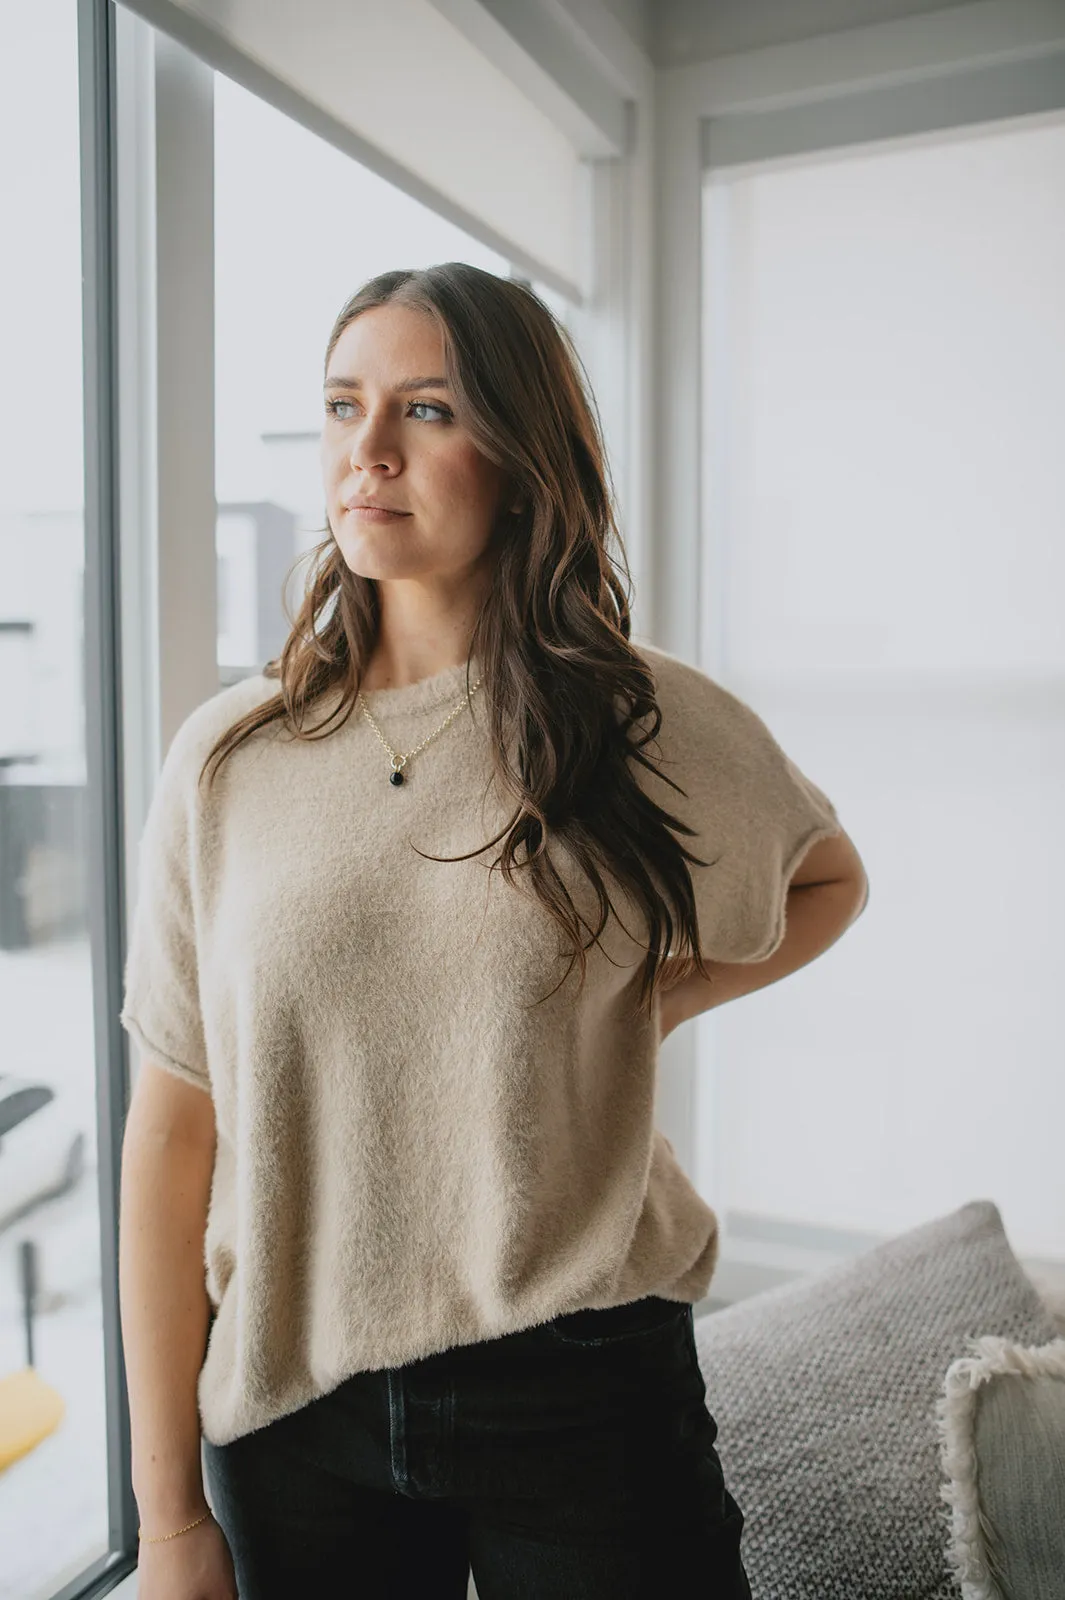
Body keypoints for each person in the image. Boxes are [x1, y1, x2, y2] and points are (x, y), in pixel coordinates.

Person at [118, 261, 869, 1600]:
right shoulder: (227, 757)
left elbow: (826, 880)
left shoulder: (634, 717)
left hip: (582, 1383)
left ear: (521, 458)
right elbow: (173, 1140)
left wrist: (653, 997)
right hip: (297, 1414)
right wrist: (167, 1517)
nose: (371, 450)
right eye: (346, 406)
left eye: (430, 411)